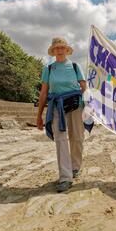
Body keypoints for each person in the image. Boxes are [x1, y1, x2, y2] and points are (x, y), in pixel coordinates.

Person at [36, 37, 87, 192]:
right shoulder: (49, 69)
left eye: (62, 47)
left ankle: (75, 167)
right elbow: (44, 92)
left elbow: (84, 87)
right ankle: (65, 177)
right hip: (57, 106)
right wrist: (39, 115)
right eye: (56, 48)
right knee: (60, 139)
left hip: (76, 105)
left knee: (77, 138)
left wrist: (85, 106)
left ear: (66, 50)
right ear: (53, 51)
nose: (59, 50)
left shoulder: (75, 66)